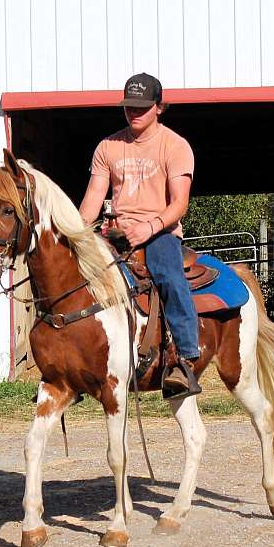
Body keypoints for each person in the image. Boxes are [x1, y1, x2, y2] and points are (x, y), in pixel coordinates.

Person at [79, 72, 201, 399]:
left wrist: (148, 227)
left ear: (159, 107)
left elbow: (179, 203)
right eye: (129, 106)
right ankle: (78, 360)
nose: (134, 112)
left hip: (159, 230)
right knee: (80, 274)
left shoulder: (175, 146)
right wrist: (75, 233)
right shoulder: (108, 147)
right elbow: (93, 200)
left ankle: (184, 356)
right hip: (118, 231)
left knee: (169, 276)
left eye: (142, 107)